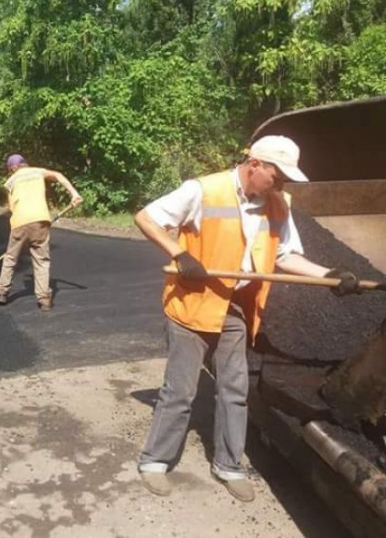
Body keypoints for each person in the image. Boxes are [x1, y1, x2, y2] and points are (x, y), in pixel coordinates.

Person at [133, 135, 360, 502]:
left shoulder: (278, 204)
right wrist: (180, 254)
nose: (281, 183)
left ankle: (229, 465)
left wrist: (329, 276)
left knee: (235, 390)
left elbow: (284, 256)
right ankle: (155, 461)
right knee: (180, 390)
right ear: (254, 164)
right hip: (191, 304)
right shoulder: (203, 190)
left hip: (234, 307)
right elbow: (146, 217)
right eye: (277, 175)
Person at [0, 154, 83, 311]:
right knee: (41, 260)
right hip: (41, 219)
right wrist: (74, 194)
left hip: (20, 222)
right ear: (24, 164)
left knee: (10, 258)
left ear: (12, 168)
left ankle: (2, 293)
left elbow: (11, 208)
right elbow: (59, 175)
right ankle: (44, 300)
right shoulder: (38, 171)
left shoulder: (10, 182)